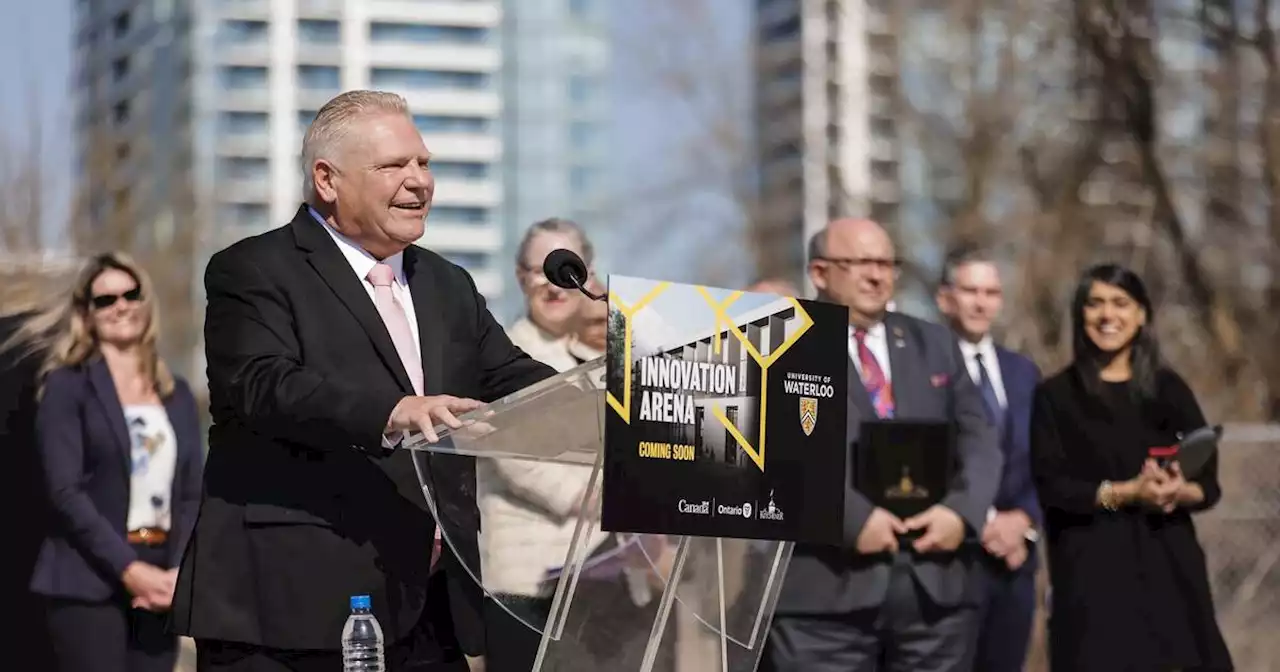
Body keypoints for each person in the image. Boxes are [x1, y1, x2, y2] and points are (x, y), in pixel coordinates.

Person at [168, 90, 556, 672]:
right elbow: (262, 383)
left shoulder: (448, 285)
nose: (419, 180)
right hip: (287, 613)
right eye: (394, 165)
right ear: (328, 179)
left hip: (426, 617)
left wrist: (627, 389)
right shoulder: (253, 268)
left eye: (423, 163)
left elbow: (521, 382)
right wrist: (392, 411)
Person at [764, 218, 1001, 672]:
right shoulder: (779, 342)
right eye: (860, 263)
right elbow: (772, 453)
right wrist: (852, 519)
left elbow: (980, 438)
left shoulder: (934, 343)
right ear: (819, 272)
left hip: (934, 595)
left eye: (886, 263)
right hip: (825, 598)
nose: (877, 275)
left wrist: (962, 512)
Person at [1, 253, 204, 672]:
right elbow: (64, 491)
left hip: (159, 585)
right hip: (86, 584)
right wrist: (130, 570)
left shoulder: (176, 393)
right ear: (86, 314)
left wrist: (177, 573)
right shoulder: (66, 386)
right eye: (105, 300)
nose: (120, 306)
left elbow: (189, 491)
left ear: (146, 303)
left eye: (130, 294)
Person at [1030, 263, 1233, 672]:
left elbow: (1208, 485)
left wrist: (1178, 491)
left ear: (1141, 315)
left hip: (1171, 574)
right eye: (1095, 304)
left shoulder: (1169, 390)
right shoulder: (1054, 397)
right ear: (1079, 314)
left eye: (1121, 303)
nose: (1108, 316)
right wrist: (1126, 493)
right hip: (1092, 579)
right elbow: (1053, 488)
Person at [480, 218, 610, 671]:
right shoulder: (501, 353)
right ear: (519, 277)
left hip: (603, 578)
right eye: (540, 271)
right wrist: (602, 495)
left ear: (589, 275)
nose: (554, 286)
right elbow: (516, 458)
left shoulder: (613, 360)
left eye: (567, 269)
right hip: (527, 581)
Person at [934, 246, 1042, 672]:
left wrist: (1024, 521)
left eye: (991, 292)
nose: (981, 302)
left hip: (1015, 563)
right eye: (970, 290)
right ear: (946, 298)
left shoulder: (1024, 373)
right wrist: (983, 519)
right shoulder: (922, 365)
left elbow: (1047, 460)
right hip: (950, 562)